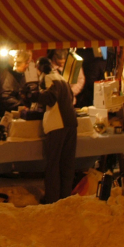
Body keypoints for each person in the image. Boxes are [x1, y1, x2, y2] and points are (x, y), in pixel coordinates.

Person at [31, 58, 77, 204]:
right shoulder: (62, 78)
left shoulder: (48, 77)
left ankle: (52, 199)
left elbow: (50, 98)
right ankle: (65, 197)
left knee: (53, 165)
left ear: (40, 69)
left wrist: (34, 96)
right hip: (71, 123)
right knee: (67, 164)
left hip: (57, 125)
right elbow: (71, 98)